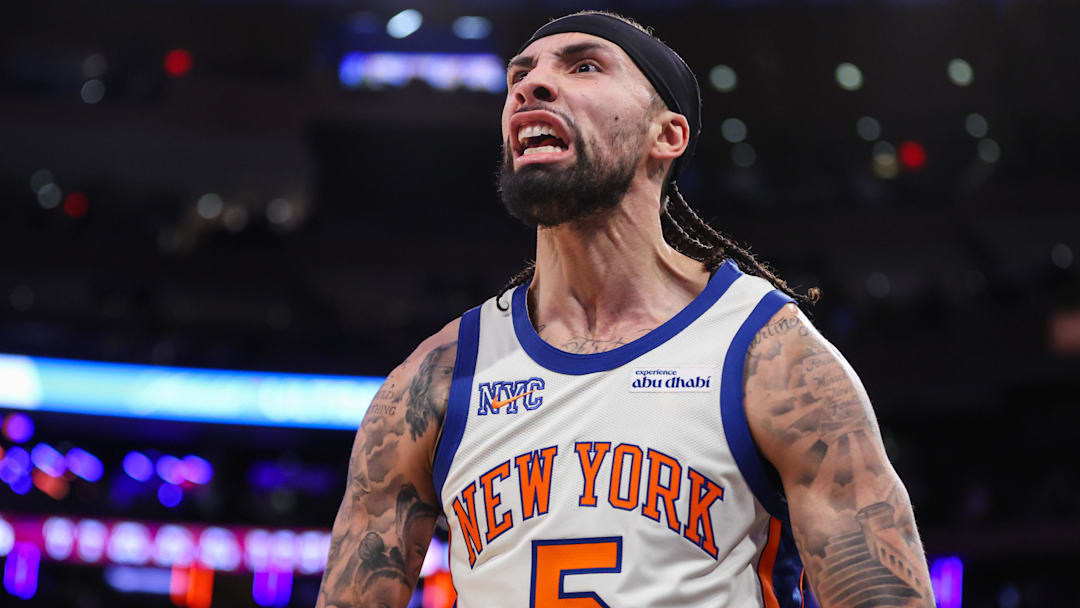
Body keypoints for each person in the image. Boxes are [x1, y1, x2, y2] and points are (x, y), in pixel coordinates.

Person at [317, 10, 935, 608]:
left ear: (667, 135)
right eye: (520, 75)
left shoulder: (768, 355)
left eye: (584, 67)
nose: (531, 85)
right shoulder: (437, 377)